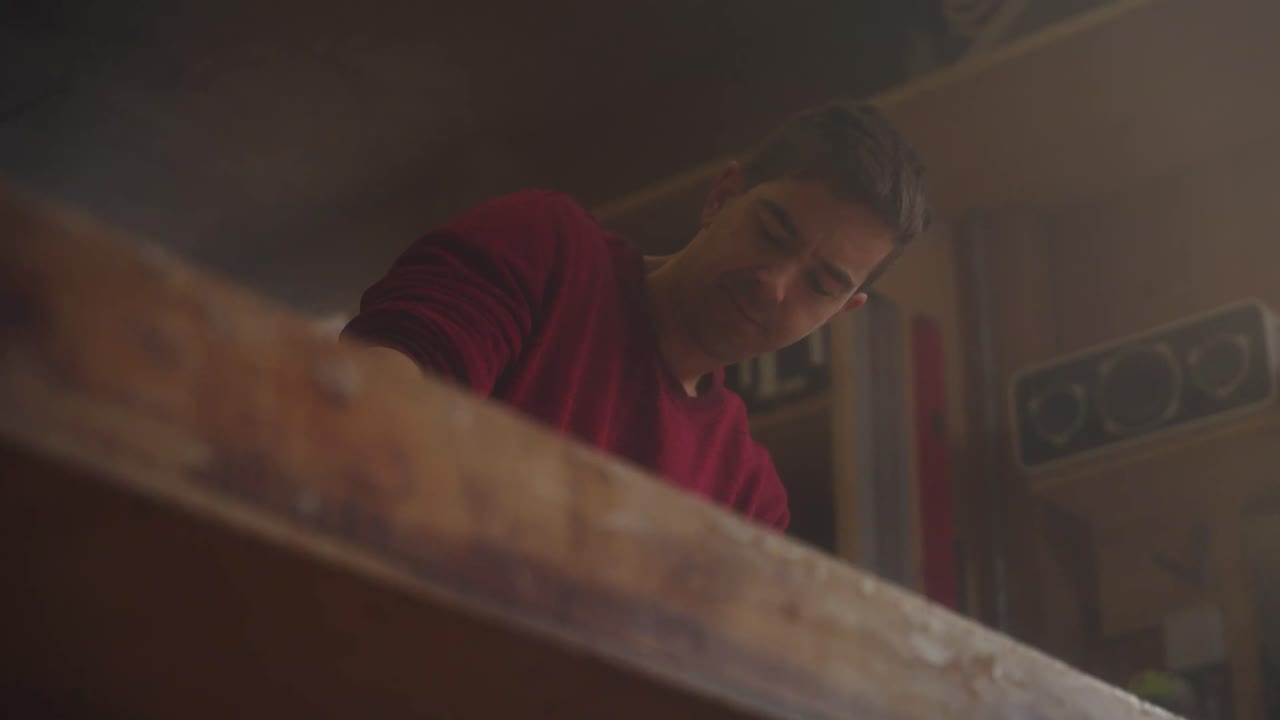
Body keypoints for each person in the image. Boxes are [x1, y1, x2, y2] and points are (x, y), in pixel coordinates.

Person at [340, 101, 929, 531]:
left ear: (841, 313)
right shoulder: (545, 247)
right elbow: (367, 391)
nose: (773, 285)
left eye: (821, 284)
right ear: (722, 196)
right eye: (772, 231)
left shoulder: (750, 497)